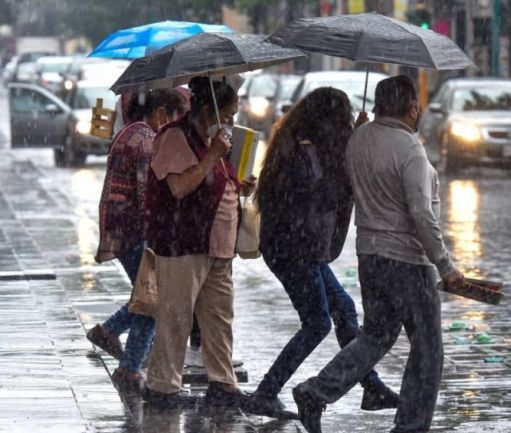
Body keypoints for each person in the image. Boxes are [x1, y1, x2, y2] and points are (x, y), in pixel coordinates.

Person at [292, 75, 464, 433]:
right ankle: (411, 426)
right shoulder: (410, 148)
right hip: (407, 261)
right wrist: (445, 265)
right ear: (412, 108)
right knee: (428, 349)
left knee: (375, 336)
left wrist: (359, 133)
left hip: (370, 257)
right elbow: (421, 213)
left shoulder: (359, 140)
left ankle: (316, 391)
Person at [244, 87, 399, 419]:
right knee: (317, 323)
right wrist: (350, 164)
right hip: (292, 250)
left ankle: (370, 387)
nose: (344, 124)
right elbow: (321, 196)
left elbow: (329, 183)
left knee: (343, 309)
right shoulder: (300, 153)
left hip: (302, 248)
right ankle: (267, 392)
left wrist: (355, 140)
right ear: (326, 120)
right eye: (341, 118)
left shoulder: (308, 146)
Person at [142, 76, 256, 408]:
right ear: (210, 110)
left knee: (219, 318)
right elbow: (179, 187)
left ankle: (222, 382)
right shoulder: (176, 137)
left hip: (218, 246)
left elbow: (216, 181)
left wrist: (239, 186)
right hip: (184, 242)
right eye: (230, 114)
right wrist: (213, 156)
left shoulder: (213, 140)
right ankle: (162, 386)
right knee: (176, 316)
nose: (233, 121)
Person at [88, 88, 189, 393]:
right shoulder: (146, 141)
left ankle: (109, 332)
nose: (175, 126)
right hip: (135, 232)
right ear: (160, 113)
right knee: (152, 299)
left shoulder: (130, 132)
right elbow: (149, 195)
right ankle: (129, 367)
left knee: (147, 294)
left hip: (122, 228)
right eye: (174, 119)